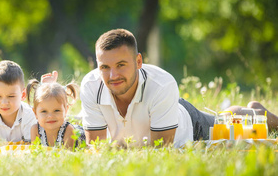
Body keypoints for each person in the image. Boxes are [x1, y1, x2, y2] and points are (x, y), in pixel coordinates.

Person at [79, 29, 278, 147]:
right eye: (104, 67)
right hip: (157, 118)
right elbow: (97, 147)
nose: (113, 76)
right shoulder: (91, 86)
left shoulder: (162, 84)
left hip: (188, 125)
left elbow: (161, 150)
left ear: (138, 61)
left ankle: (259, 114)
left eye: (121, 65)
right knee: (224, 120)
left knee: (242, 130)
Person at [0, 60, 37, 145]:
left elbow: (30, 147)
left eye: (11, 96)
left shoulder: (29, 115)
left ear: (23, 94)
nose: (4, 103)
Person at [27, 80, 85, 148]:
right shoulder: (35, 129)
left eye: (56, 110)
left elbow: (67, 155)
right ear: (35, 113)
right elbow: (35, 152)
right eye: (44, 111)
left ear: (66, 110)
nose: (50, 116)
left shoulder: (68, 130)